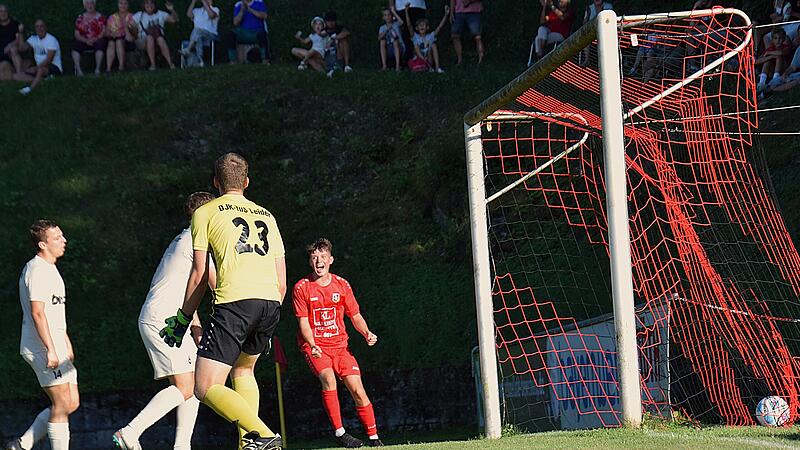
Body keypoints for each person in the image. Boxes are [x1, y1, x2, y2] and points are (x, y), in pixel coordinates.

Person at [159, 153, 285, 450]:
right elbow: (282, 280)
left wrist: (182, 318)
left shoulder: (205, 213)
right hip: (270, 303)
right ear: (247, 181)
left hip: (236, 303)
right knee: (243, 370)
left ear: (215, 182)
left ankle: (263, 434)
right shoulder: (267, 215)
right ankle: (248, 446)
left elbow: (200, 274)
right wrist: (269, 312)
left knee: (205, 386)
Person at [112, 192, 217, 450]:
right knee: (185, 386)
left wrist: (196, 328)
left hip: (170, 317)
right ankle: (130, 432)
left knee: (193, 386)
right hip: (162, 319)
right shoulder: (194, 241)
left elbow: (187, 291)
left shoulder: (185, 239)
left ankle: (182, 446)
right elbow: (213, 283)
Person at [293, 238, 383, 448]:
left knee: (358, 390)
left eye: (323, 257)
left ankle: (373, 437)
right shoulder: (302, 288)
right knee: (328, 378)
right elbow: (303, 322)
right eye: (314, 258)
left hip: (341, 347)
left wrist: (366, 333)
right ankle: (340, 433)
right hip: (315, 347)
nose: (319, 261)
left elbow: (355, 315)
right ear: (310, 262)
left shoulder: (342, 285)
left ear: (331, 260)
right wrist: (312, 343)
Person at [4, 220, 78, 450]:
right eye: (57, 238)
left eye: (62, 236)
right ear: (43, 245)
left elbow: (55, 313)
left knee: (71, 403)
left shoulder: (50, 268)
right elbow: (38, 313)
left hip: (55, 343)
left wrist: (64, 341)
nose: (63, 241)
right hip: (41, 347)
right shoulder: (36, 270)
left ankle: (22, 445)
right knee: (61, 402)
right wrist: (51, 349)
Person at [14, 20, 62, 95]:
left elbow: (49, 60)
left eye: (41, 26)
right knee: (16, 76)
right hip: (39, 68)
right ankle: (41, 80)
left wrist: (35, 68)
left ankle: (30, 89)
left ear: (46, 28)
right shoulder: (33, 39)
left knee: (40, 70)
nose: (39, 29)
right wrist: (20, 33)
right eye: (37, 26)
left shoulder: (51, 40)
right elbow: (22, 48)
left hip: (53, 67)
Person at [134, 0, 178, 70]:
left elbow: (174, 20)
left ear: (155, 5)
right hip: (143, 40)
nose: (149, 5)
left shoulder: (160, 13)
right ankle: (153, 64)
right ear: (144, 5)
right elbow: (129, 25)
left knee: (160, 39)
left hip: (158, 39)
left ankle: (170, 64)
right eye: (147, 3)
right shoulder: (139, 15)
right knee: (149, 38)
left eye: (152, 3)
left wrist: (172, 10)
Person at [405, 4, 449, 73]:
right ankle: (426, 67)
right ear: (417, 28)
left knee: (433, 45)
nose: (422, 26)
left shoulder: (430, 36)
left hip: (429, 59)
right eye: (420, 25)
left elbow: (440, 27)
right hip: (419, 60)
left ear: (427, 28)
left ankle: (437, 68)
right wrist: (406, 11)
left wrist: (446, 15)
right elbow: (409, 25)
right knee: (416, 46)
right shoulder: (415, 36)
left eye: (423, 25)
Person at [227, 0, 269, 64]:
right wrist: (242, 10)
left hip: (256, 31)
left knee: (263, 35)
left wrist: (249, 9)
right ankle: (233, 60)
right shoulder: (238, 4)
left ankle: (265, 60)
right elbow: (235, 22)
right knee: (231, 34)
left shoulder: (259, 2)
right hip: (243, 32)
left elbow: (264, 16)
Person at [71, 0, 107, 76]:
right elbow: (76, 34)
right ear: (84, 6)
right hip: (84, 41)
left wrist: (95, 39)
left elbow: (103, 31)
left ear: (95, 5)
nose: (90, 5)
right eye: (87, 3)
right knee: (75, 46)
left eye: (91, 3)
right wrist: (86, 40)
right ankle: (79, 70)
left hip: (96, 40)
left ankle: (97, 69)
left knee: (100, 44)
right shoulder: (80, 18)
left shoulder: (100, 17)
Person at [181, 0, 220, 67]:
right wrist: (193, 1)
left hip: (211, 35)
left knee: (197, 30)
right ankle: (199, 61)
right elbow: (188, 15)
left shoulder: (215, 9)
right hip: (197, 36)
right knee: (198, 36)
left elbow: (211, 15)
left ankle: (188, 49)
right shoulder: (197, 10)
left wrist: (203, 1)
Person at [757, 26, 793, 93]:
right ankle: (761, 83)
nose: (778, 41)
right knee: (768, 59)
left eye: (780, 38)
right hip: (771, 71)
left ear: (784, 39)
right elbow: (757, 61)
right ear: (772, 40)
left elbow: (781, 53)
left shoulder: (786, 47)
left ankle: (775, 80)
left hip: (784, 70)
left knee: (779, 56)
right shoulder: (771, 49)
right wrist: (770, 56)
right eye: (775, 38)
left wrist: (769, 53)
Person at [105, 0, 138, 72]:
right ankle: (108, 68)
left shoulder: (133, 16)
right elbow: (106, 32)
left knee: (119, 42)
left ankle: (121, 66)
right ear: (118, 4)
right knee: (111, 43)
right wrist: (111, 34)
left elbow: (136, 33)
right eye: (121, 3)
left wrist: (129, 29)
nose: (123, 5)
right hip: (114, 38)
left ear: (128, 5)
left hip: (128, 40)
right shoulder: (112, 17)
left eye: (125, 3)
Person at [449, 0, 484, 66]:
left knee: (477, 36)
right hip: (458, 12)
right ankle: (459, 60)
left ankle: (481, 60)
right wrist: (451, 12)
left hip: (474, 11)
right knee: (454, 35)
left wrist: (469, 1)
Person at [578, 0, 611, 65]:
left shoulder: (608, 7)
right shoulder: (589, 8)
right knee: (585, 37)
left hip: (605, 31)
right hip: (592, 32)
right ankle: (587, 60)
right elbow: (584, 23)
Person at [0, 4, 23, 75]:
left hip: (10, 53)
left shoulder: (15, 24)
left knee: (13, 49)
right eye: (1, 11)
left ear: (8, 13)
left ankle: (19, 74)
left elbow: (18, 39)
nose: (3, 13)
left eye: (5, 11)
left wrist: (10, 45)